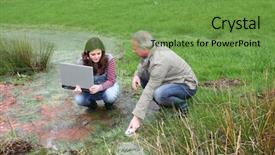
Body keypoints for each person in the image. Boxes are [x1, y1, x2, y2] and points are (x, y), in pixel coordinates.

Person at [127, 31, 198, 133]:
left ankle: (182, 105)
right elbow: (143, 63)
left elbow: (149, 89)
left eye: (135, 49)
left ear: (144, 48)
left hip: (186, 85)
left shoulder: (160, 61)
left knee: (159, 94)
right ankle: (165, 104)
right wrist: (136, 75)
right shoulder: (151, 48)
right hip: (169, 80)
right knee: (142, 77)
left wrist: (136, 118)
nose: (133, 51)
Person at [74, 37, 119, 110]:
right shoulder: (81, 62)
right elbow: (78, 81)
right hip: (89, 91)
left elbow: (111, 80)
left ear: (102, 52)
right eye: (93, 54)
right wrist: (78, 87)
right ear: (87, 53)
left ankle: (108, 104)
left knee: (110, 96)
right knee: (79, 99)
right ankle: (92, 106)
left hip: (106, 88)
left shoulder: (109, 59)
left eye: (99, 53)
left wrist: (99, 87)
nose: (96, 57)